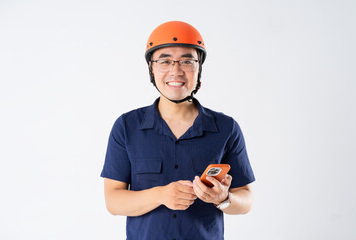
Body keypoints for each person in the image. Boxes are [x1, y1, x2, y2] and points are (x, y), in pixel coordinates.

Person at [100, 21, 255, 240]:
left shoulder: (226, 128)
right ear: (151, 69)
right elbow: (113, 201)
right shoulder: (126, 127)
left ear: (199, 68)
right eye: (165, 61)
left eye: (187, 61)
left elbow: (245, 201)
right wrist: (160, 195)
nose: (176, 70)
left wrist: (223, 198)